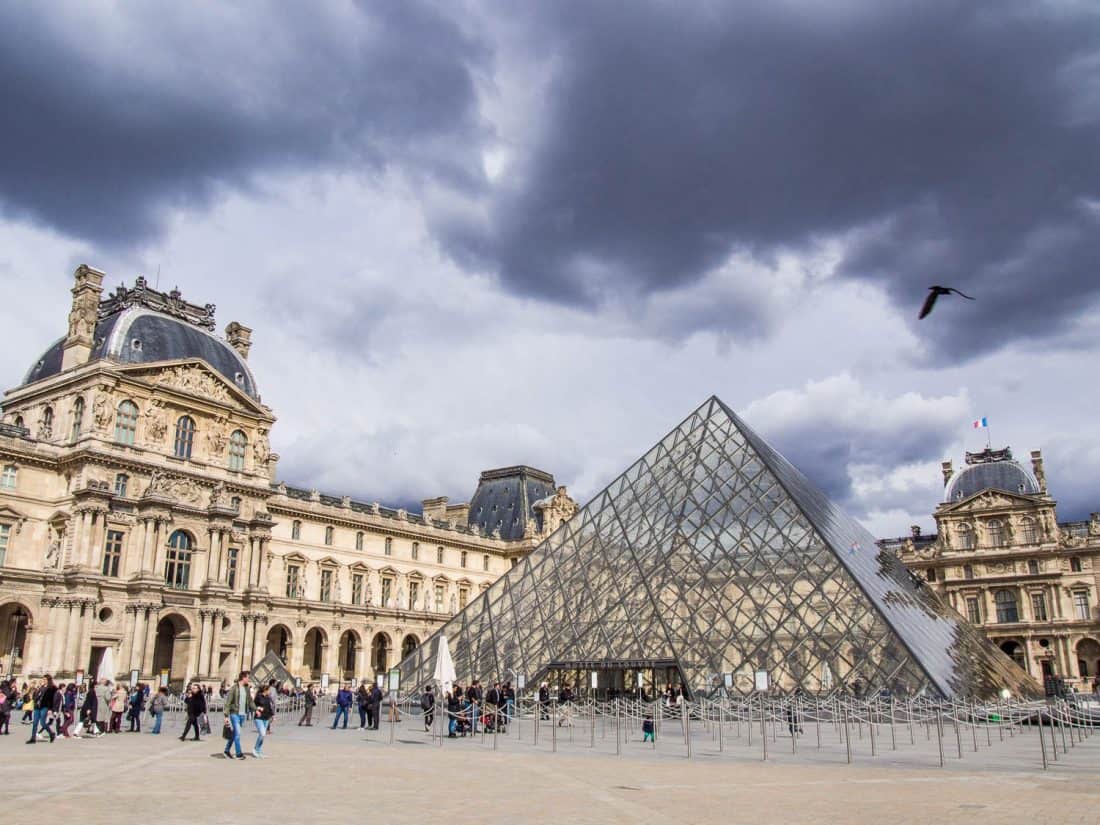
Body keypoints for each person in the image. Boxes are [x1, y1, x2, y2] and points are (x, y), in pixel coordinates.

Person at [223, 671, 254, 760]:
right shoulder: (234, 688)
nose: (249, 679)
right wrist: (226, 716)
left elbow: (250, 701)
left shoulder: (247, 688)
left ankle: (226, 751)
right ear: (243, 678)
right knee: (238, 734)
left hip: (243, 714)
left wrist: (256, 709)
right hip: (234, 713)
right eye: (248, 677)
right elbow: (228, 702)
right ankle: (238, 753)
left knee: (234, 733)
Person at [27, 675, 57, 744]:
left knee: (42, 723)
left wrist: (50, 709)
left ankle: (51, 733)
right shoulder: (41, 687)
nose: (43, 680)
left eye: (45, 679)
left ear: (48, 680)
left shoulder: (51, 688)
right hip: (37, 706)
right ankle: (33, 738)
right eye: (43, 679)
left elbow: (51, 700)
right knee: (35, 723)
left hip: (45, 707)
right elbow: (37, 696)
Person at [253, 683, 274, 758]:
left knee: (263, 735)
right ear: (265, 690)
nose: (270, 691)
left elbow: (270, 707)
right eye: (269, 690)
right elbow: (253, 705)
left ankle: (259, 749)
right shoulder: (258, 697)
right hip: (259, 717)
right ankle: (255, 749)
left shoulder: (268, 697)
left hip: (266, 717)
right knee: (262, 733)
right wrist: (258, 709)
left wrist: (272, 715)